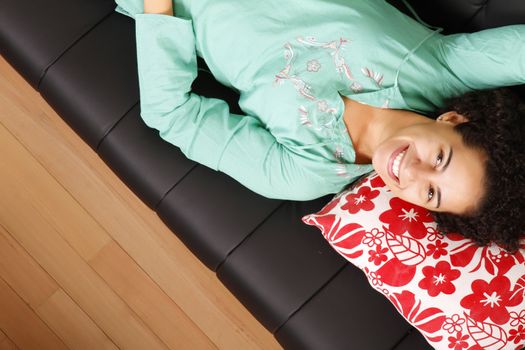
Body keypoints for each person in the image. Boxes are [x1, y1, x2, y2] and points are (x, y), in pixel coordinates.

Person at [114, 0, 525, 250]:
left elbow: (170, 113)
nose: (413, 172)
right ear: (453, 120)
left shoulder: (305, 172)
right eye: (440, 157)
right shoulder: (440, 68)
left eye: (431, 193)